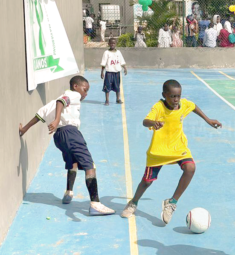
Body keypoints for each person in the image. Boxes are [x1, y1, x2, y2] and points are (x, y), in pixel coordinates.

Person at [121, 80, 221, 223]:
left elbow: (193, 106)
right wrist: (153, 123)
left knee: (190, 167)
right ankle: (133, 202)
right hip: (158, 151)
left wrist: (208, 120)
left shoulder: (183, 104)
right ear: (164, 95)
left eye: (178, 96)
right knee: (147, 182)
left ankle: (172, 202)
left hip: (178, 148)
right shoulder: (159, 107)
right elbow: (145, 121)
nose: (175, 100)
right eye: (172, 96)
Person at [18, 76, 115, 215]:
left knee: (72, 162)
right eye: (85, 90)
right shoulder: (73, 95)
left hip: (58, 137)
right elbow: (61, 101)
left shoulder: (51, 103)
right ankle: (95, 203)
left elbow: (39, 116)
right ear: (76, 86)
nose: (85, 94)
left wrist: (24, 129)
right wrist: (57, 119)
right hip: (71, 132)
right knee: (89, 165)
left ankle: (69, 192)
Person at [101, 38, 128, 106]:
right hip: (109, 72)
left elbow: (122, 61)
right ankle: (107, 100)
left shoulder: (118, 52)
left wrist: (125, 68)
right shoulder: (106, 53)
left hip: (117, 72)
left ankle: (118, 99)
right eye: (111, 43)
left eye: (114, 43)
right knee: (107, 87)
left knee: (117, 86)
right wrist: (102, 72)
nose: (112, 44)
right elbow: (104, 63)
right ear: (108, 44)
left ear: (116, 44)